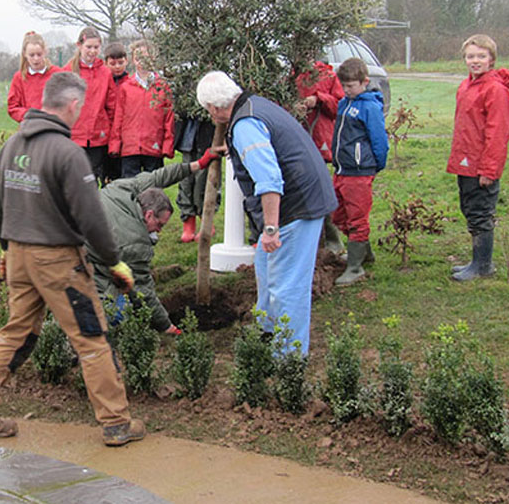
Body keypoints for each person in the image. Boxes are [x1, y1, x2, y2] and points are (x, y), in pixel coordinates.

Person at [0, 72, 145, 447]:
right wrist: (114, 262)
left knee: (17, 331)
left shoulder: (11, 145)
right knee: (90, 337)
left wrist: (7, 252)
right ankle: (117, 422)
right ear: (73, 105)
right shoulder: (67, 153)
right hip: (58, 262)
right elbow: (91, 218)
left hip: (19, 254)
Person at [196, 71, 337, 354]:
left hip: (295, 209)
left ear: (214, 107)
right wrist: (234, 149)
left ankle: (289, 358)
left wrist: (271, 228)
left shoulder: (246, 124)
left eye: (207, 111)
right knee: (264, 264)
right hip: (302, 197)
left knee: (288, 285)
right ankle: (267, 332)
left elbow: (270, 180)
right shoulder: (252, 106)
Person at [88, 153, 221, 335]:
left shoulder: (121, 189)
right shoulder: (135, 244)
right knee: (120, 312)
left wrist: (197, 164)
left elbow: (159, 176)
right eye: (159, 225)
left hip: (75, 239)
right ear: (149, 214)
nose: (159, 231)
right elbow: (141, 290)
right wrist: (167, 326)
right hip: (70, 260)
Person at [446, 34, 509, 281]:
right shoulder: (466, 85)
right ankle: (477, 260)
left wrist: (489, 170)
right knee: (469, 208)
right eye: (470, 56)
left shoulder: (495, 90)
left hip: (481, 165)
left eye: (481, 56)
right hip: (465, 161)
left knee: (480, 212)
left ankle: (483, 265)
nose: (475, 61)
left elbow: (497, 133)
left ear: (491, 60)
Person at [330, 58, 388, 286]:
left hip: (359, 171)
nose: (347, 90)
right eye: (344, 86)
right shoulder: (344, 103)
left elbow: (379, 140)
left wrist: (374, 165)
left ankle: (355, 267)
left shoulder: (369, 106)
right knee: (338, 215)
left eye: (351, 86)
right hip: (342, 169)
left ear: (364, 82)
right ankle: (363, 252)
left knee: (357, 217)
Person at [297, 60, 345, 253]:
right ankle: (310, 242)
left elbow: (339, 106)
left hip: (320, 138)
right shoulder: (293, 77)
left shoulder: (328, 76)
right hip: (300, 136)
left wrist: (319, 99)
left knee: (321, 188)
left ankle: (332, 240)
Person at [109, 40, 175, 179]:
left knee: (153, 187)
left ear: (153, 58)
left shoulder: (162, 86)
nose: (141, 62)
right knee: (129, 188)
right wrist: (115, 145)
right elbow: (118, 118)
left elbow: (168, 118)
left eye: (145, 57)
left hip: (153, 145)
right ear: (133, 60)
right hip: (130, 147)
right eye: (138, 58)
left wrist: (167, 145)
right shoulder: (126, 87)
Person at [63, 26, 117, 185]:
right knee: (73, 182)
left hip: (98, 137)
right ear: (79, 46)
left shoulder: (105, 72)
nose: (92, 51)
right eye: (88, 47)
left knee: (92, 181)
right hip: (74, 136)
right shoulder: (68, 72)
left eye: (96, 47)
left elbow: (112, 105)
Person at [173, 113, 217, 242]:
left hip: (206, 139)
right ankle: (188, 222)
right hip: (187, 139)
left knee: (202, 183)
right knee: (186, 181)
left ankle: (207, 222)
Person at [7, 31, 58, 123]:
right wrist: (30, 115)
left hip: (53, 127)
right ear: (24, 54)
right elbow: (12, 107)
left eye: (39, 54)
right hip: (30, 129)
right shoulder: (19, 78)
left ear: (45, 52)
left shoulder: (57, 74)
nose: (36, 59)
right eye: (32, 55)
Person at [102, 41, 130, 182]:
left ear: (127, 61)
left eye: (120, 62)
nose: (117, 67)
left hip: (125, 132)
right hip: (106, 132)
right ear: (106, 63)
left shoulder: (130, 82)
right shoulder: (104, 81)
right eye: (113, 64)